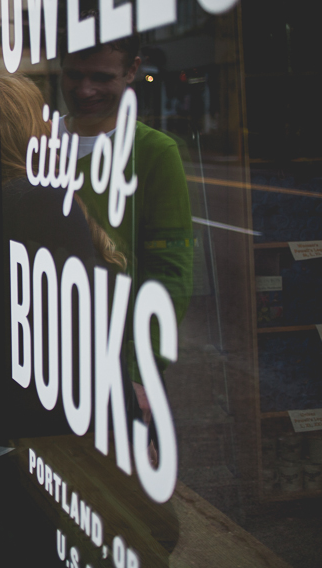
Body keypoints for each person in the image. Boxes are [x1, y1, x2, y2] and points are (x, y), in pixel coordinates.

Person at [58, 30, 193, 445]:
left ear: (133, 70)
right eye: (74, 74)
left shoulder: (154, 152)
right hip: (43, 359)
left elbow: (169, 274)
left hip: (117, 365)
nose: (85, 90)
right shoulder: (34, 143)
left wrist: (140, 372)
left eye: (101, 77)